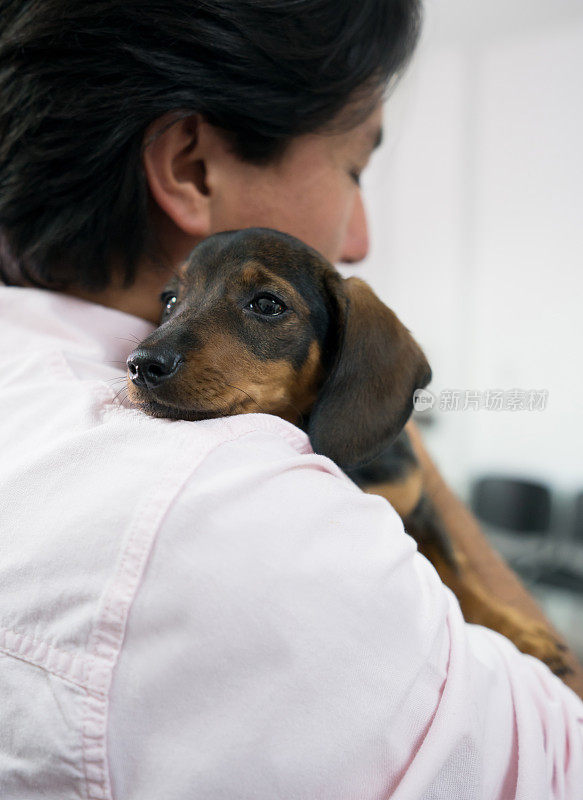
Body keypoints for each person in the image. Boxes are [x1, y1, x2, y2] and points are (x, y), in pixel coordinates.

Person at [0, 1, 581, 798]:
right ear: (193, 168)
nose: (359, 238)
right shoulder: (251, 510)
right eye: (354, 167)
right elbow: (559, 754)